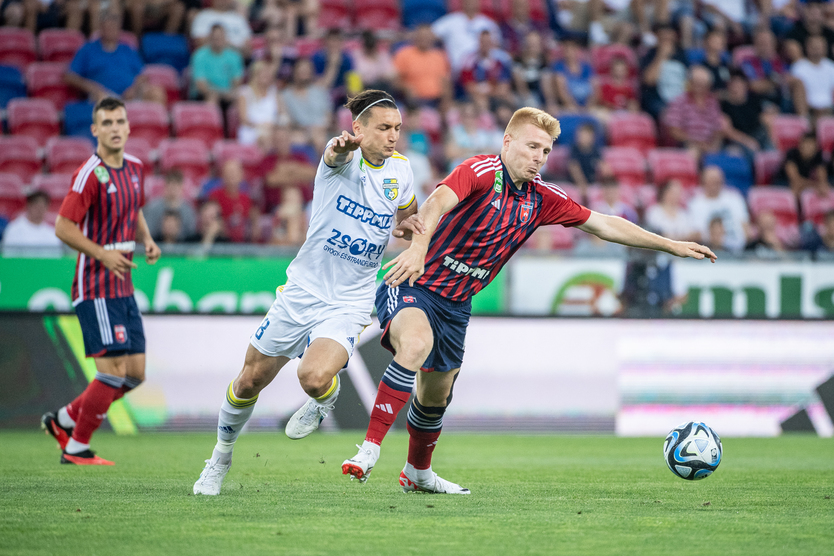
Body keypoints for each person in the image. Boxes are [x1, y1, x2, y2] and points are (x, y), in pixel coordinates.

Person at [339, 107, 716, 494]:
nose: (539, 157)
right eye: (532, 146)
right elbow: (435, 202)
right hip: (414, 281)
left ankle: (417, 474)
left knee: (435, 396)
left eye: (546, 151)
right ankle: (369, 450)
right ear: (507, 142)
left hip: (456, 305)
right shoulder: (480, 171)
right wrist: (418, 248)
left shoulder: (543, 198)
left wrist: (670, 245)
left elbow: (604, 223)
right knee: (416, 344)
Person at [192, 90, 421, 496]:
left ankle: (322, 399)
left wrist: (407, 230)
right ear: (358, 128)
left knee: (314, 378)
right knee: (248, 382)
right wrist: (340, 149)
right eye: (384, 128)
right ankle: (219, 459)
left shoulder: (402, 170)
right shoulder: (340, 158)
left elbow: (406, 216)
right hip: (302, 292)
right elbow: (334, 155)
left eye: (397, 128)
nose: (393, 136)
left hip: (349, 301)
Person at [41, 97, 161, 465]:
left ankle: (64, 419)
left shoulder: (135, 167)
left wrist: (147, 239)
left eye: (119, 121)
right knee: (111, 373)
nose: (114, 128)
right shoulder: (89, 174)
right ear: (95, 130)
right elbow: (63, 227)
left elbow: (134, 208)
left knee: (134, 374)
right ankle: (76, 447)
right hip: (95, 287)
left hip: (123, 286)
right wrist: (102, 254)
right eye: (106, 122)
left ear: (128, 127)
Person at [65, 12, 165, 105]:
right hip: (102, 94)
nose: (111, 30)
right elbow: (69, 76)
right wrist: (91, 87)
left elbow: (142, 76)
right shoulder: (87, 50)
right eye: (107, 27)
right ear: (101, 28)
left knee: (156, 92)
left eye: (114, 27)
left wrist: (133, 89)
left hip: (131, 94)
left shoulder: (127, 50)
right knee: (101, 99)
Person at [664, 65, 723, 160]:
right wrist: (697, 142)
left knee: (733, 153)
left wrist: (713, 147)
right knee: (693, 153)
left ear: (709, 85)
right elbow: (674, 130)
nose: (700, 87)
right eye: (697, 83)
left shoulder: (713, 103)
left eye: (703, 84)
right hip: (687, 145)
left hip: (709, 146)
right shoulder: (679, 101)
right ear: (690, 83)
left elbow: (718, 129)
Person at [687, 165, 750, 254]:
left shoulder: (735, 198)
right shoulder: (696, 204)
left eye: (717, 181)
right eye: (712, 181)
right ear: (704, 182)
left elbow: (745, 226)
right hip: (708, 251)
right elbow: (696, 234)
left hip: (738, 251)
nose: (715, 184)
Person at [392, 24, 452, 107]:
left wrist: (446, 101)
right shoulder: (404, 54)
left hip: (436, 101)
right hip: (412, 101)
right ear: (416, 37)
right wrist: (406, 88)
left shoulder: (439, 56)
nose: (424, 39)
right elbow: (395, 81)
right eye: (421, 36)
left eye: (427, 36)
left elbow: (445, 81)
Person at [190, 24, 244, 109]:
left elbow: (237, 82)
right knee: (212, 98)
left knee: (241, 98)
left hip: (228, 94)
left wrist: (231, 93)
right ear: (210, 38)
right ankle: (211, 117)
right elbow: (201, 85)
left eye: (220, 37)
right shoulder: (199, 55)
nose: (218, 40)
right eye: (215, 37)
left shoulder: (234, 56)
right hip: (205, 94)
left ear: (225, 37)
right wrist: (219, 93)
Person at [236, 60, 289, 145]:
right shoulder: (245, 92)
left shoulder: (274, 92)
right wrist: (261, 126)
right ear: (255, 75)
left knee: (292, 137)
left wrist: (278, 124)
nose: (266, 76)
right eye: (263, 73)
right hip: (252, 129)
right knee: (267, 138)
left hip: (273, 128)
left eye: (268, 74)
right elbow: (244, 119)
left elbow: (282, 114)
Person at [0, 189, 63, 257]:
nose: (39, 210)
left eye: (43, 206)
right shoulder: (14, 229)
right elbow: (8, 256)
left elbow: (56, 258)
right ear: (28, 205)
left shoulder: (51, 233)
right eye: (36, 205)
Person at [143, 170, 197, 242]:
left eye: (176, 185)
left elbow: (191, 234)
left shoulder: (188, 210)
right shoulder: (153, 207)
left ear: (181, 187)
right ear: (165, 186)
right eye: (171, 185)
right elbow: (148, 232)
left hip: (182, 246)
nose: (173, 189)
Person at [790, 35, 834, 119]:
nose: (816, 50)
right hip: (809, 108)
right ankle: (804, 120)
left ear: (825, 48)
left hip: (829, 107)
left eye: (819, 47)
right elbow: (795, 90)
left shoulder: (831, 67)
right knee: (797, 85)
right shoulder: (799, 66)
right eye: (814, 47)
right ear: (807, 48)